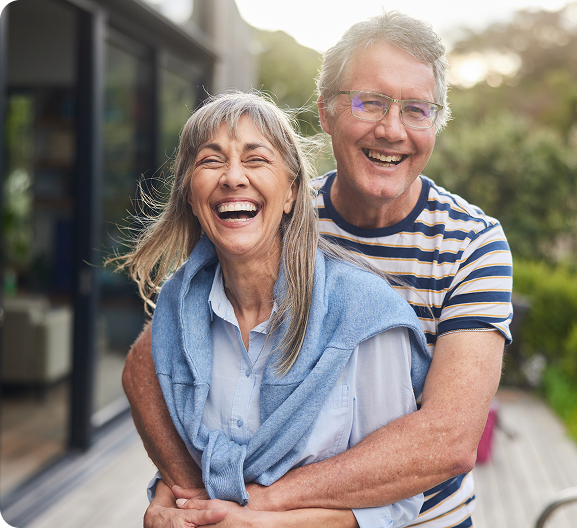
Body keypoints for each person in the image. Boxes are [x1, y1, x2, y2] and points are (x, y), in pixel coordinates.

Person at [123, 11, 513, 528]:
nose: (391, 129)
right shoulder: (269, 209)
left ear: (435, 124)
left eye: (416, 110)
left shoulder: (473, 243)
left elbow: (448, 439)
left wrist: (257, 503)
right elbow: (154, 358)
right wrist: (186, 491)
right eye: (370, 103)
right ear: (326, 113)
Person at [117, 90, 431, 527]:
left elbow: (396, 503)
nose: (232, 177)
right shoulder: (179, 310)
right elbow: (194, 460)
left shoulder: (362, 316)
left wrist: (264, 524)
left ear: (292, 192)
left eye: (256, 159)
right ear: (190, 196)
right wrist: (165, 506)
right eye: (211, 161)